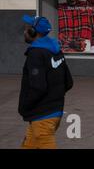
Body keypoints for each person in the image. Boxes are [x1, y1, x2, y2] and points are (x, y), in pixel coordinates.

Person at [19, 15, 73, 149]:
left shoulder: (36, 54)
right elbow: (69, 82)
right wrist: (54, 98)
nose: (24, 31)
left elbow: (38, 87)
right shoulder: (56, 50)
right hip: (53, 112)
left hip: (42, 116)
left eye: (26, 29)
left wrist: (24, 106)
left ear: (33, 32)